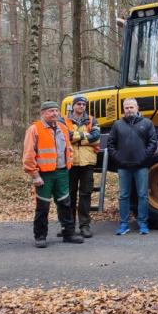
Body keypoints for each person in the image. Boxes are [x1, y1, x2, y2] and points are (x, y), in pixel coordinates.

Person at [22, 101, 83, 248]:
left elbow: (68, 149)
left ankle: (68, 234)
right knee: (43, 206)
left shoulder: (62, 128)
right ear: (43, 113)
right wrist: (35, 175)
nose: (54, 113)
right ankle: (40, 236)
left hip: (62, 172)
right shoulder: (34, 129)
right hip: (44, 174)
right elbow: (29, 154)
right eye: (50, 111)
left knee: (65, 204)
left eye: (56, 111)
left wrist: (68, 166)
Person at [107, 98, 157, 236]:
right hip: (123, 167)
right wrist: (119, 159)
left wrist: (143, 158)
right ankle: (124, 224)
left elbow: (153, 143)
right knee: (124, 195)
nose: (129, 110)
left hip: (141, 166)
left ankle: (143, 223)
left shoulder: (147, 123)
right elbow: (111, 144)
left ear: (137, 108)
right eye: (127, 108)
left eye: (131, 107)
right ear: (124, 109)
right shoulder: (117, 125)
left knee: (142, 195)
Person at [63, 95, 100, 239]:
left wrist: (76, 138)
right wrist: (86, 136)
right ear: (73, 106)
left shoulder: (92, 120)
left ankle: (84, 225)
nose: (81, 106)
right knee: (70, 195)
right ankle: (69, 226)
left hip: (87, 163)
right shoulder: (64, 120)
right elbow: (66, 137)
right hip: (70, 163)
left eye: (83, 104)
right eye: (78, 104)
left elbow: (96, 137)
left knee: (85, 194)